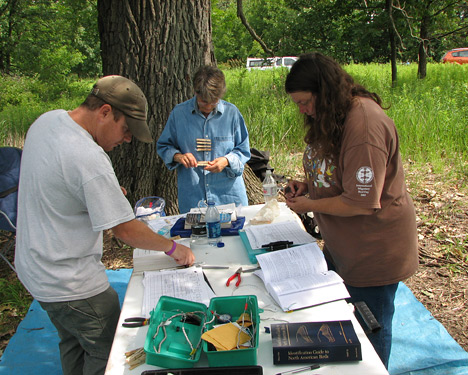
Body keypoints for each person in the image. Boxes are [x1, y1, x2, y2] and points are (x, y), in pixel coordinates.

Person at [15, 75, 195, 375]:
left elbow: (56, 186)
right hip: (72, 284)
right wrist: (175, 248)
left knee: (72, 341)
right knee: (107, 354)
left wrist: (98, 196)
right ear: (105, 112)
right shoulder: (88, 157)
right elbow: (125, 230)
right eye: (126, 129)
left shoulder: (49, 121)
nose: (126, 139)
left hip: (36, 271)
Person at [283, 53, 418, 369]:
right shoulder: (337, 114)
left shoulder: (365, 127)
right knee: (344, 318)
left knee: (371, 330)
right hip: (344, 245)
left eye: (304, 102)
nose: (301, 110)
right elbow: (342, 174)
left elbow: (359, 201)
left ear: (324, 92)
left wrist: (310, 205)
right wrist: (310, 185)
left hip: (373, 252)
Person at [156, 65, 250, 213]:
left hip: (228, 197)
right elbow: (164, 146)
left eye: (214, 102)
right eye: (203, 101)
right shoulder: (179, 114)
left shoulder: (232, 114)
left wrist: (226, 161)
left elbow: (243, 150)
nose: (208, 106)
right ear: (195, 92)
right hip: (194, 199)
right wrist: (179, 157)